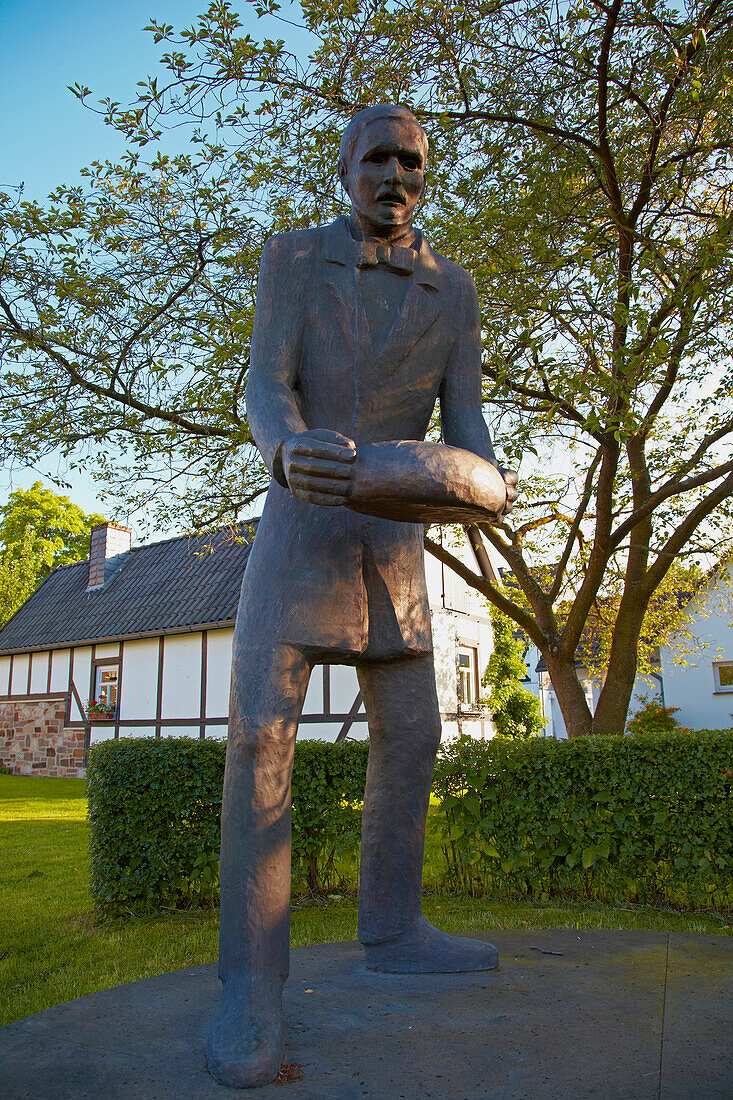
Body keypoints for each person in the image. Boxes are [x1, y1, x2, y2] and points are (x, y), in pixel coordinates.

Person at [207, 103, 518, 1089]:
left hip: (393, 550)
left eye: (412, 162)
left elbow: (473, 441)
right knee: (260, 741)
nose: (396, 175)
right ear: (344, 169)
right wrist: (281, 445)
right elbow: (263, 386)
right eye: (377, 158)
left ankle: (395, 925)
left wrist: (442, 475)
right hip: (299, 533)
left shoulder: (453, 291)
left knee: (415, 735)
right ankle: (248, 986)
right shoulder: (292, 259)